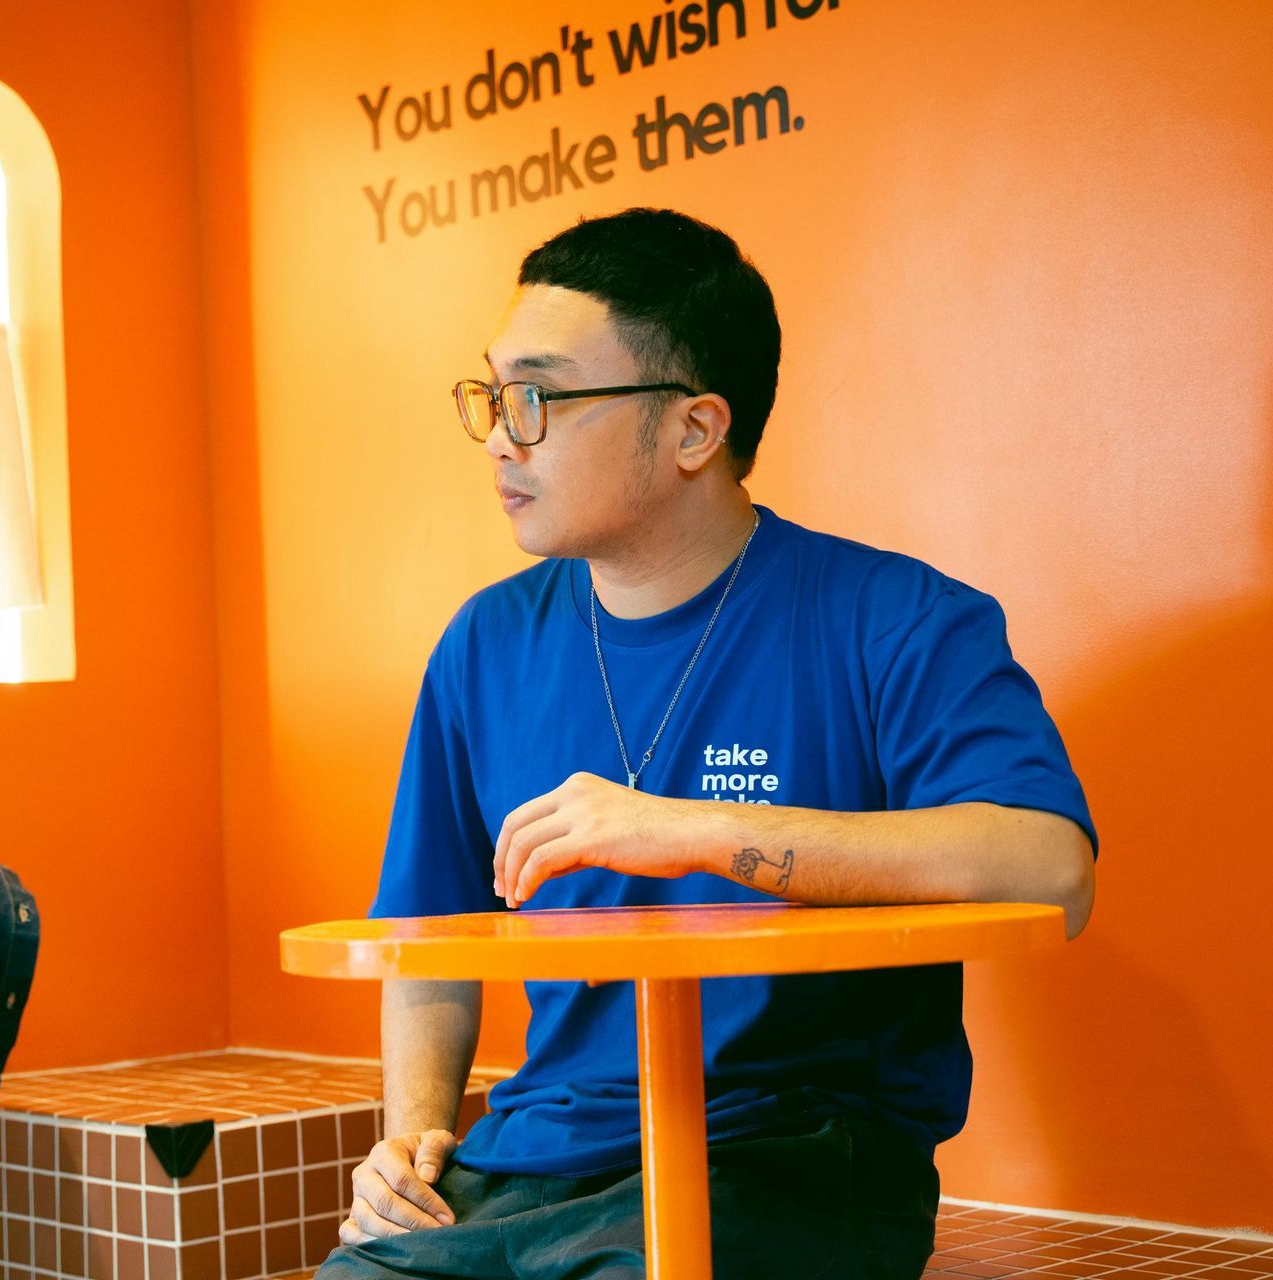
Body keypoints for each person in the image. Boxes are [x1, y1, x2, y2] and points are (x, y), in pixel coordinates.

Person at [314, 207, 1097, 1280]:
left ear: (692, 429)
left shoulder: (894, 616)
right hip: (531, 1159)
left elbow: (1052, 867)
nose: (502, 434)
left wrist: (693, 829)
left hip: (796, 1155)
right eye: (496, 395)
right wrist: (411, 1136)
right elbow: (424, 939)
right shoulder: (483, 644)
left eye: (539, 397)